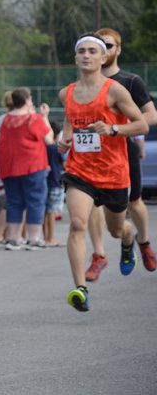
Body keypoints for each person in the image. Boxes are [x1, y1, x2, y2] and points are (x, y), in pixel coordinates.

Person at [58, 33, 147, 312]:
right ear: (75, 57)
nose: (86, 55)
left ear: (103, 57)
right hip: (80, 170)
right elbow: (70, 124)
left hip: (113, 172)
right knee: (77, 224)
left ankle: (129, 238)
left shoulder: (116, 90)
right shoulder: (67, 93)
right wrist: (64, 139)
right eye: (81, 51)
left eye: (92, 51)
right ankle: (80, 288)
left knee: (116, 228)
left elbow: (142, 124)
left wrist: (113, 129)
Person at [84, 28, 157, 281]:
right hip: (91, 153)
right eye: (99, 46)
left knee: (134, 201)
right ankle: (99, 255)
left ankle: (143, 241)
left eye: (109, 46)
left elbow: (150, 116)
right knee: (93, 203)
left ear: (118, 50)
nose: (104, 51)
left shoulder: (130, 81)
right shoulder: (84, 83)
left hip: (122, 149)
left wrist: (119, 128)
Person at [0, 87, 54, 250]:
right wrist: (44, 117)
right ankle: (33, 238)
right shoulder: (33, 119)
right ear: (27, 100)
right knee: (35, 200)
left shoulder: (5, 119)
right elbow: (49, 139)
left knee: (14, 201)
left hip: (9, 167)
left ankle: (14, 238)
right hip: (32, 166)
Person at [43, 120, 65, 247]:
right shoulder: (56, 148)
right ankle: (50, 238)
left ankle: (44, 236)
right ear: (56, 135)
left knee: (44, 212)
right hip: (55, 182)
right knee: (51, 212)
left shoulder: (42, 147)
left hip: (44, 181)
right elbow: (64, 164)